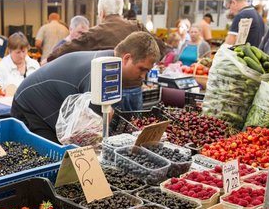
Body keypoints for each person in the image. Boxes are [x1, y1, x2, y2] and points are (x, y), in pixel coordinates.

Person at [11, 31, 160, 142]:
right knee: (57, 159)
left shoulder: (112, 65)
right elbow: (90, 127)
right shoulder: (102, 70)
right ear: (127, 58)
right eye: (142, 69)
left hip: (51, 104)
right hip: (30, 105)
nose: (143, 76)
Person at [46, 0, 162, 63]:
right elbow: (161, 48)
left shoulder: (95, 32)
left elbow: (68, 48)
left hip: (107, 88)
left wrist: (49, 58)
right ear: (120, 12)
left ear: (102, 13)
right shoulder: (137, 26)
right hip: (135, 87)